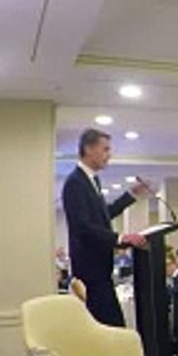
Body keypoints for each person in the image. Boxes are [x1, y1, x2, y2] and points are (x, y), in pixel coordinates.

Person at [61, 128, 150, 326]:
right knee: (109, 329)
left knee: (112, 329)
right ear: (88, 149)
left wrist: (130, 196)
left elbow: (103, 216)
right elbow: (83, 227)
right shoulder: (75, 182)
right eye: (105, 149)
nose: (109, 155)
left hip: (101, 270)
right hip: (90, 272)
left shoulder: (93, 180)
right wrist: (120, 238)